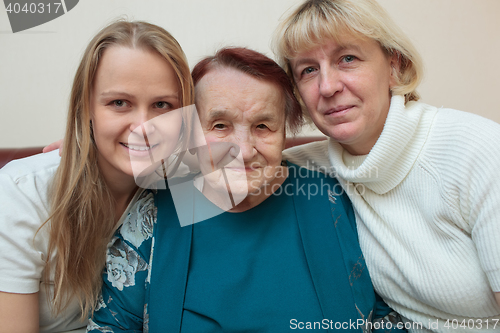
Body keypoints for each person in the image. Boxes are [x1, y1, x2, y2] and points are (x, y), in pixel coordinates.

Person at [87, 47, 406, 333]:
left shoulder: (331, 199)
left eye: (263, 126)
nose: (243, 149)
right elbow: (111, 326)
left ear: (285, 133)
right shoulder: (155, 211)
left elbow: (384, 317)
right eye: (221, 125)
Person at [273, 0, 500, 331]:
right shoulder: (310, 168)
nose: (327, 86)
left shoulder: (478, 149)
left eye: (347, 59)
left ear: (394, 66)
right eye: (308, 70)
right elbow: (185, 187)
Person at [0, 20, 193, 332]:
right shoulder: (20, 195)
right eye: (119, 103)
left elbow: (267, 163)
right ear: (86, 108)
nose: (143, 127)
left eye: (162, 105)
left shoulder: (183, 188)